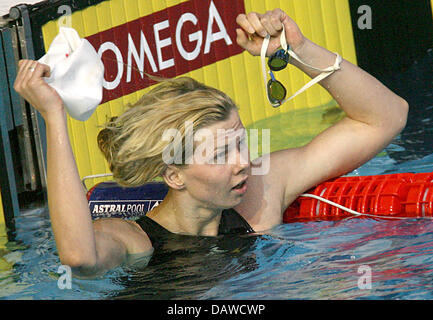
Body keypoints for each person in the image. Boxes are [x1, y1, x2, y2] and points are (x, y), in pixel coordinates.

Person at [13, 9, 408, 277]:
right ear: (174, 175)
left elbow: (385, 117)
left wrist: (296, 51)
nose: (244, 162)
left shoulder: (261, 195)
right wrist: (53, 118)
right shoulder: (134, 241)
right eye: (221, 153)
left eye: (241, 141)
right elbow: (79, 257)